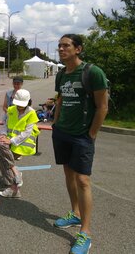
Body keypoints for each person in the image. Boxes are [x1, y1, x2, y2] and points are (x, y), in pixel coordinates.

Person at [52, 34, 108, 254]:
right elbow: (60, 99)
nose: (61, 49)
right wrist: (56, 123)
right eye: (59, 46)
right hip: (62, 132)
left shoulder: (92, 72)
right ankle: (74, 214)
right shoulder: (61, 75)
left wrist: (92, 133)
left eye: (66, 46)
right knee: (68, 174)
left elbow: (102, 106)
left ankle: (85, 233)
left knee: (83, 179)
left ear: (78, 49)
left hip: (82, 136)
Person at [0, 89, 39, 198]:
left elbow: (27, 133)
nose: (19, 107)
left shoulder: (31, 112)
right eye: (18, 104)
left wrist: (10, 140)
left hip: (23, 143)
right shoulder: (11, 109)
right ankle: (14, 183)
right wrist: (3, 134)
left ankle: (12, 185)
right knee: (0, 153)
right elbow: (5, 125)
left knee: (2, 158)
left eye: (22, 105)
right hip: (11, 140)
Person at [2, 76, 24, 160]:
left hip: (20, 116)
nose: (16, 85)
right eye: (15, 83)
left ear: (22, 84)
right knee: (8, 133)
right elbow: (4, 106)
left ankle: (18, 152)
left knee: (19, 133)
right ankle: (8, 149)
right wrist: (9, 113)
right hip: (9, 116)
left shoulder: (24, 94)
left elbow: (29, 106)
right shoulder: (8, 93)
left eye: (18, 83)